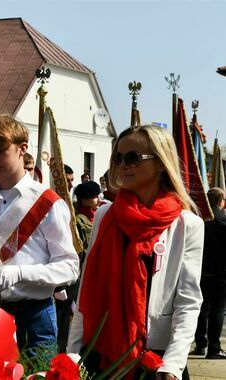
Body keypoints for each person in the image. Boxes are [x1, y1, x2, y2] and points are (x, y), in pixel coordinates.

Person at [68, 124, 204, 380]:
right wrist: (73, 351)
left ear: (161, 163)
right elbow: (88, 288)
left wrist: (173, 363)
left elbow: (188, 302)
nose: (123, 165)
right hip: (102, 351)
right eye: (119, 158)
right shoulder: (105, 215)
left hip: (158, 360)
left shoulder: (187, 224)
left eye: (133, 158)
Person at [0, 114, 79, 359]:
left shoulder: (48, 202)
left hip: (35, 314)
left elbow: (70, 268)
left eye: (0, 150)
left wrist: (19, 273)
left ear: (22, 149)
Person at [55, 180, 102, 353]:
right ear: (84, 199)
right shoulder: (77, 221)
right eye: (94, 197)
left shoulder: (98, 216)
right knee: (67, 317)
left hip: (93, 274)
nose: (97, 200)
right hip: (78, 276)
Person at [193, 187, 226, 359]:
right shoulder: (223, 219)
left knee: (201, 309)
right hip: (220, 272)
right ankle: (214, 348)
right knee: (217, 310)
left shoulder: (200, 218)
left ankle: (200, 344)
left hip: (200, 270)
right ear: (221, 201)